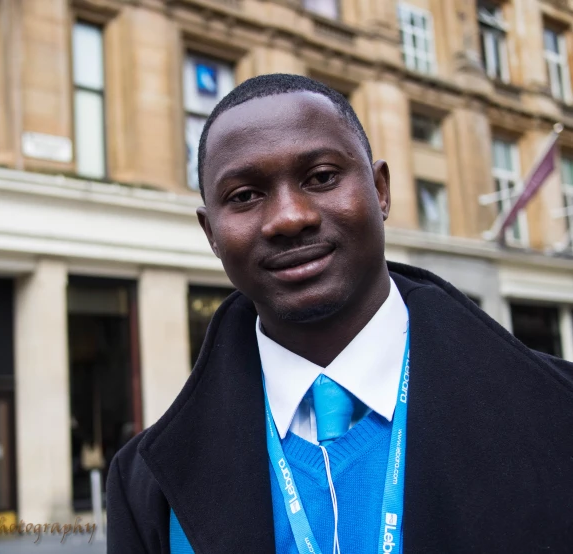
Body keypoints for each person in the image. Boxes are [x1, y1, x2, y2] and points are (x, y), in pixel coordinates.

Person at [106, 74, 573, 553]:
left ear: (381, 190)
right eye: (245, 195)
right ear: (211, 234)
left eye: (322, 177)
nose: (289, 217)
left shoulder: (559, 414)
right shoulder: (145, 484)